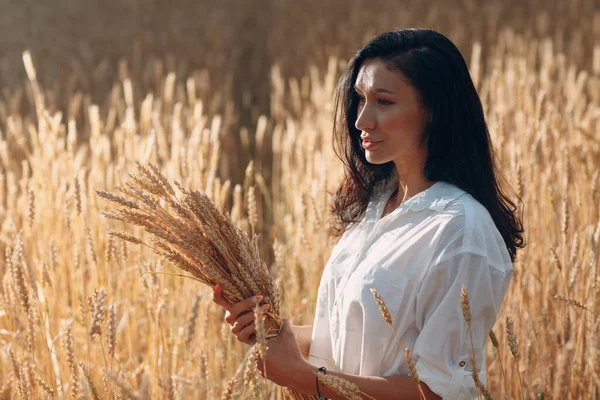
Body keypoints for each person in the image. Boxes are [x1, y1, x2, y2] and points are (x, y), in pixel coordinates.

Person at [213, 28, 524, 400]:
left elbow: (439, 392)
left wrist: (301, 376)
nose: (362, 120)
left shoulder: (461, 230)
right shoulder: (374, 203)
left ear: (434, 111)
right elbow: (349, 335)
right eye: (360, 99)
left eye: (384, 101)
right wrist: (274, 331)